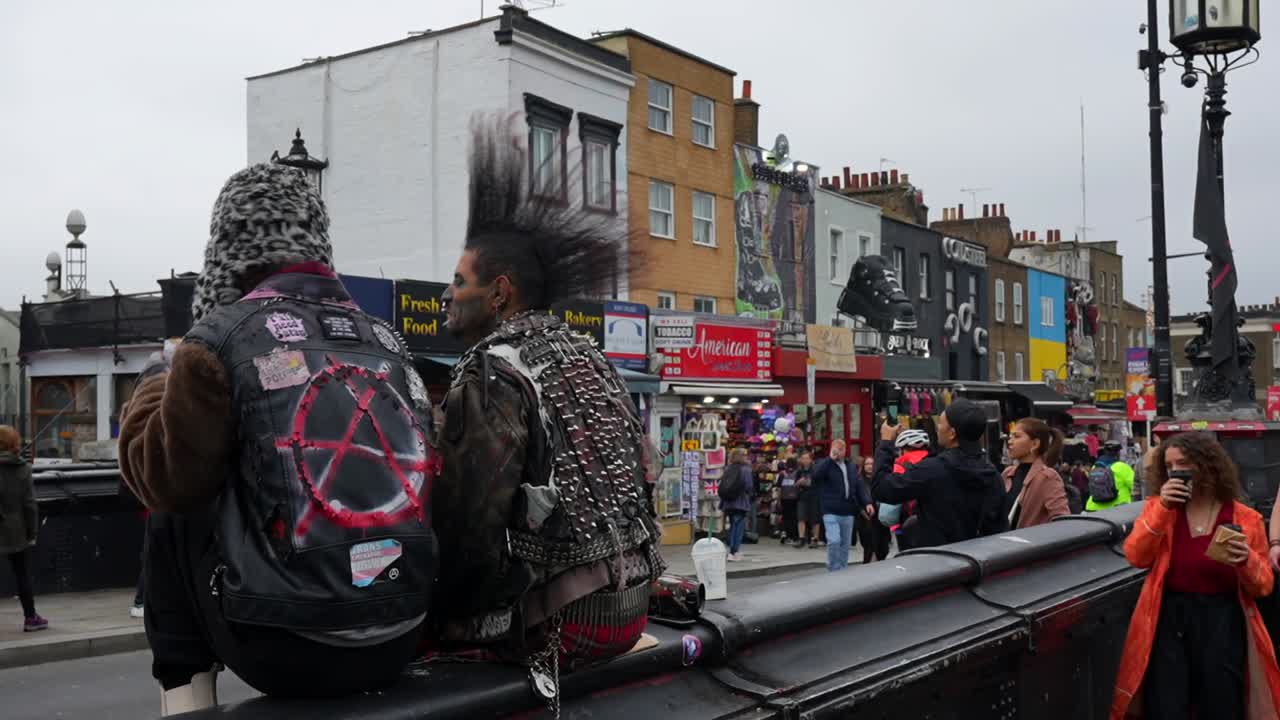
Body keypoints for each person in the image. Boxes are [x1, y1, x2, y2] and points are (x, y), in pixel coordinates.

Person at [118, 164, 434, 715]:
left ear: (225, 247)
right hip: (402, 629)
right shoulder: (388, 341)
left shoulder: (217, 338)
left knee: (175, 507)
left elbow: (161, 478)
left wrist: (156, 383)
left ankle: (185, 696)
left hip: (287, 644)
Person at [429, 120, 662, 704]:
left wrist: (436, 603)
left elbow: (472, 528)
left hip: (563, 627)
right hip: (631, 609)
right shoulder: (589, 353)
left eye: (459, 282)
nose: (446, 295)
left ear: (499, 293)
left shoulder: (493, 370)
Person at [1112, 432, 1280, 719]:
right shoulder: (1160, 509)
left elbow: (1263, 585)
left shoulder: (1244, 517)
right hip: (1169, 618)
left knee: (1221, 701)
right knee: (1168, 701)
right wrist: (1163, 508)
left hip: (1221, 620)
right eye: (1170, 466)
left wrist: (1246, 560)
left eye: (1185, 463)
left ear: (1208, 465)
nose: (1177, 472)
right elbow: (1136, 556)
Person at [871, 400, 1007, 549]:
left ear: (952, 434)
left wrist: (885, 443)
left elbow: (881, 488)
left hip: (940, 563)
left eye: (941, 424)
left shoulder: (932, 469)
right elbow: (1000, 528)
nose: (937, 428)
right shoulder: (994, 475)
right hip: (980, 561)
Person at [0, 426, 46, 632]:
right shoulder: (23, 469)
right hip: (14, 530)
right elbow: (30, 505)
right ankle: (30, 618)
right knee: (21, 574)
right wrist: (32, 533)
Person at [813, 440, 873, 572]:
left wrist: (867, 502)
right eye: (837, 449)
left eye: (842, 449)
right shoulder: (824, 464)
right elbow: (816, 476)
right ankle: (834, 568)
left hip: (847, 511)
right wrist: (830, 459)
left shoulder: (850, 466)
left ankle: (843, 569)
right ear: (832, 449)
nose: (839, 451)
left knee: (845, 544)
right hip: (830, 510)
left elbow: (859, 486)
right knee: (834, 541)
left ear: (845, 450)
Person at [1002, 419, 1071, 530]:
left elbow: (1062, 521)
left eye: (1017, 436)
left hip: (1030, 545)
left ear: (1035, 444)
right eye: (1010, 436)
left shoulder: (1048, 477)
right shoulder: (1008, 473)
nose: (1010, 441)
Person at [718, 448, 754, 561]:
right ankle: (734, 551)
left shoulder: (728, 468)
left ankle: (730, 550)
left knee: (732, 525)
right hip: (740, 502)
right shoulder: (746, 470)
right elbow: (749, 486)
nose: (746, 457)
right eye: (745, 455)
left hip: (728, 502)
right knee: (738, 526)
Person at [855, 455, 891, 563]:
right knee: (869, 546)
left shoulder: (880, 479)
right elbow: (855, 498)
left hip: (881, 517)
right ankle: (868, 567)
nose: (870, 466)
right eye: (867, 464)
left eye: (872, 464)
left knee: (883, 547)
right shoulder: (859, 481)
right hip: (866, 518)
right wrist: (861, 510)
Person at [1085, 440, 1136, 512]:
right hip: (1118, 508)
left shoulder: (1095, 466)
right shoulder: (1122, 467)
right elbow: (1134, 485)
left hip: (1093, 508)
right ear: (1118, 453)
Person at [792, 451, 823, 548]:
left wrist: (807, 482)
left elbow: (816, 482)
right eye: (803, 458)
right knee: (801, 517)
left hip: (814, 496)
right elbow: (795, 484)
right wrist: (798, 483)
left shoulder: (815, 470)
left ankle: (815, 539)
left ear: (811, 459)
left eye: (807, 458)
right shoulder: (799, 471)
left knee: (815, 518)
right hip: (802, 496)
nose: (805, 460)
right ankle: (801, 539)